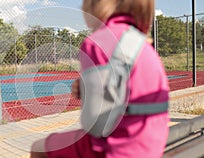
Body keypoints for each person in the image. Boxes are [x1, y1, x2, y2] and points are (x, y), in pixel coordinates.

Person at [30, 0, 169, 157]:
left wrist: (88, 94)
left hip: (116, 148)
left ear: (96, 4)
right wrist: (85, 88)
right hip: (150, 144)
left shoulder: (96, 43)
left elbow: (96, 125)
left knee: (38, 148)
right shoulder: (141, 42)